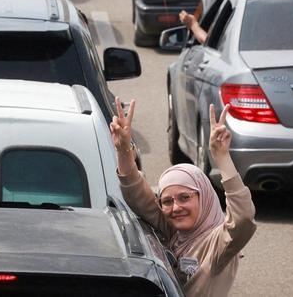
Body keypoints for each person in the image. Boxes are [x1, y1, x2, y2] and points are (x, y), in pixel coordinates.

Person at [110, 99, 256, 297]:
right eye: (167, 201)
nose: (176, 207)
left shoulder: (219, 244)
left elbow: (243, 218)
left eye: (185, 197)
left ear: (203, 197)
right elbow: (136, 194)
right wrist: (123, 149)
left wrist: (222, 157)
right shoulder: (174, 231)